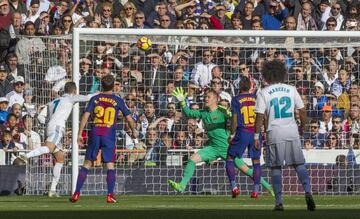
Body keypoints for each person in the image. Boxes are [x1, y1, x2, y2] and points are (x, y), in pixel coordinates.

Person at [168, 87, 274, 196]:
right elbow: (189, 113)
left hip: (227, 148)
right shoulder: (203, 113)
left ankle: (269, 187)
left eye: (208, 97)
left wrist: (229, 115)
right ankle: (182, 186)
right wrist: (181, 102)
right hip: (213, 148)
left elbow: (235, 120)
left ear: (216, 99)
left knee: (246, 171)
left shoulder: (221, 111)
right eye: (205, 97)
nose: (206, 99)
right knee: (192, 160)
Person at [253, 59, 315, 211]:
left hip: (274, 132)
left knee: (276, 167)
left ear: (266, 75)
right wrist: (303, 126)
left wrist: (256, 136)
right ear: (282, 73)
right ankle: (308, 191)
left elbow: (259, 116)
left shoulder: (263, 92)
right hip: (291, 130)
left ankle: (279, 202)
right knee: (299, 164)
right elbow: (302, 110)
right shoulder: (291, 89)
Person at [70, 75, 138, 203]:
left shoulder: (95, 98)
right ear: (113, 86)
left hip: (95, 133)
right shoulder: (118, 100)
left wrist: (79, 133)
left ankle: (76, 193)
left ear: (102, 85)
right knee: (110, 165)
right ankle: (110, 195)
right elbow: (129, 118)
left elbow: (85, 115)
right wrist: (134, 131)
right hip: (108, 134)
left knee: (87, 163)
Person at [19, 82, 94, 197]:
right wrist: (101, 93)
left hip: (49, 127)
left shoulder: (52, 102)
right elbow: (88, 97)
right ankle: (27, 156)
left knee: (60, 159)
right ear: (74, 91)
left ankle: (52, 190)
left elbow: (40, 117)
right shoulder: (70, 98)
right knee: (50, 148)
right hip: (58, 127)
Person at [226, 76, 261, 198]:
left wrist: (232, 134)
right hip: (255, 133)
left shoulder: (236, 99)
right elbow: (263, 116)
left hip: (242, 132)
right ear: (250, 86)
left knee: (230, 158)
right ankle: (255, 191)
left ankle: (234, 187)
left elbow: (234, 119)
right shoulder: (257, 98)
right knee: (256, 161)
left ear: (239, 86)